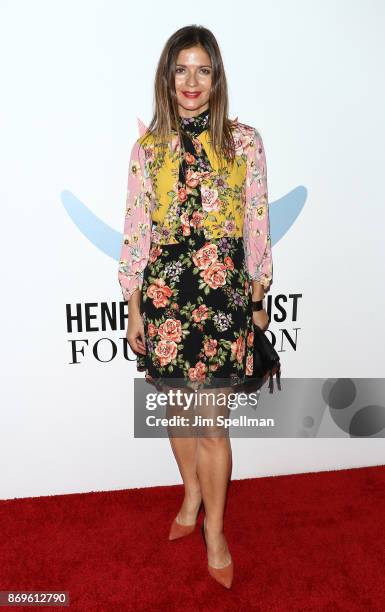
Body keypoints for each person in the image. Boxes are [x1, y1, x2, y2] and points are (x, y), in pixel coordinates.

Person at [118, 25, 273, 589]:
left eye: (202, 69)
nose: (191, 81)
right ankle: (189, 496)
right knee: (180, 414)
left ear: (217, 77)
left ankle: (215, 531)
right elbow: (137, 231)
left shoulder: (245, 142)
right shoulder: (148, 150)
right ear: (167, 76)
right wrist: (134, 307)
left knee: (212, 425)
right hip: (165, 297)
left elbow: (256, 223)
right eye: (181, 69)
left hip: (222, 296)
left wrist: (258, 301)